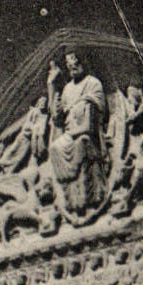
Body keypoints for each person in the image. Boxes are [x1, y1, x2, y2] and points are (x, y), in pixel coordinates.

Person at [47, 51, 108, 220]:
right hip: (71, 132)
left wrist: (83, 104)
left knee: (82, 144)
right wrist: (52, 87)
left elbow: (100, 106)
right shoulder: (67, 89)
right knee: (55, 148)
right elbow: (57, 118)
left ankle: (90, 198)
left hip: (89, 133)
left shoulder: (92, 83)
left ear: (83, 63)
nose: (73, 67)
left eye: (76, 64)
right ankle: (71, 202)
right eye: (70, 66)